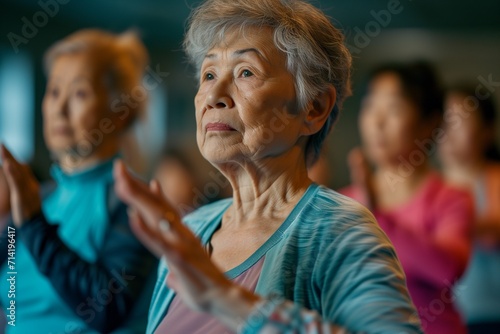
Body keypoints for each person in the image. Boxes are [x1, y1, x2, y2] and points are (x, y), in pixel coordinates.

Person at [113, 0, 423, 333]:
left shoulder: (338, 229)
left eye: (246, 72)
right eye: (208, 74)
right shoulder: (191, 229)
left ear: (313, 108)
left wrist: (225, 298)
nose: (214, 94)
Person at [0, 29, 157, 333]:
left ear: (120, 113)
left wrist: (34, 223)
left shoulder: (131, 202)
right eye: (54, 91)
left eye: (79, 94)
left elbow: (107, 308)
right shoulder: (40, 198)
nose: (59, 110)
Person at [341, 62, 474, 334]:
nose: (377, 122)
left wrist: (375, 215)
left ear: (430, 123)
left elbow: (447, 269)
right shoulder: (344, 201)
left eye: (393, 109)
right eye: (370, 107)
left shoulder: (450, 198)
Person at [439, 86, 500, 334]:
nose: (448, 129)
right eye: (443, 119)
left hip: (491, 315)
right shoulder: (431, 186)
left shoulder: (494, 178)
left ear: (486, 131)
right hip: (443, 321)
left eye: (460, 120)